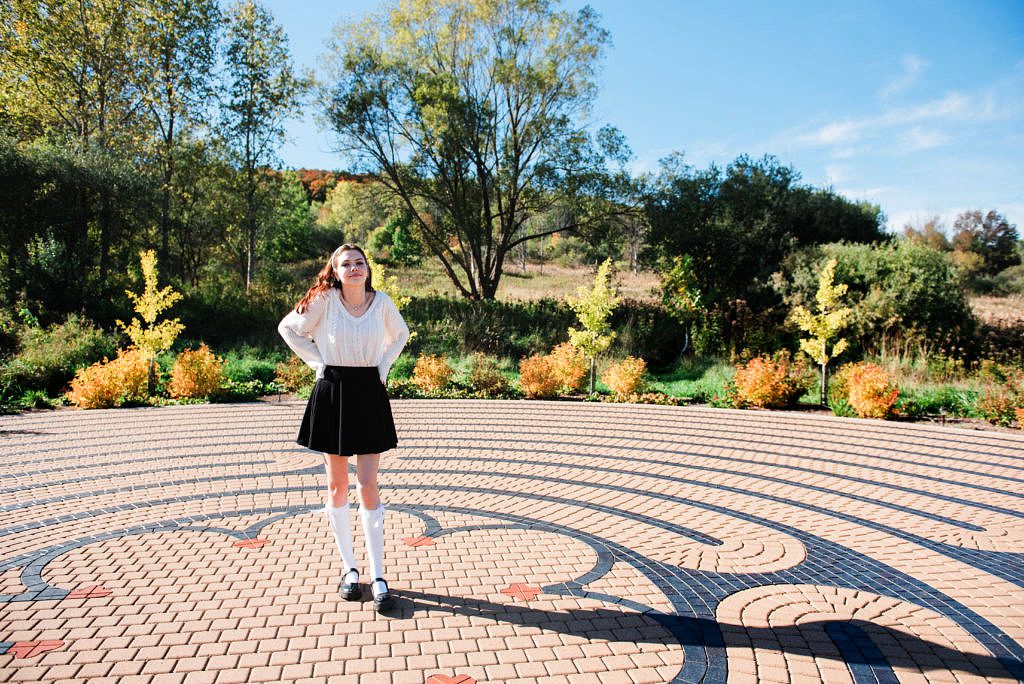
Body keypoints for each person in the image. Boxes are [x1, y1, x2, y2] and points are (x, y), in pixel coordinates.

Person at [278, 243, 410, 612]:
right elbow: (289, 327)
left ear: (368, 268)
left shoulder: (381, 302)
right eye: (346, 264)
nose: (354, 268)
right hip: (333, 390)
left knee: (368, 484)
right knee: (337, 485)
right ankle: (350, 571)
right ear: (335, 271)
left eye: (359, 263)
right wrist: (317, 362)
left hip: (369, 391)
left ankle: (379, 575)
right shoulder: (324, 299)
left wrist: (383, 366)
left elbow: (400, 334)